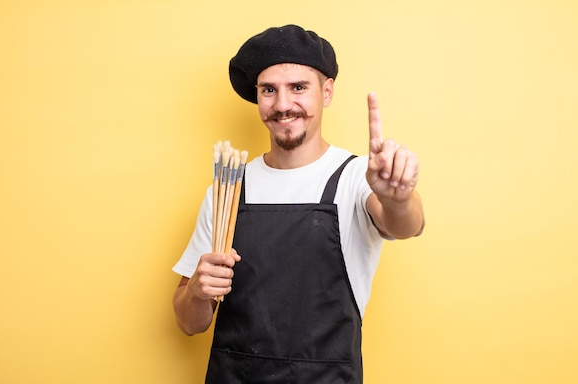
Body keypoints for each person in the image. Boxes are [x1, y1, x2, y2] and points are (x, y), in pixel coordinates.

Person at [172, 24, 425, 383]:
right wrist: (197, 292)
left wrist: (397, 198)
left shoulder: (355, 176)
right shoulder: (229, 188)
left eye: (299, 88)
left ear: (327, 92)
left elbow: (405, 225)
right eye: (269, 90)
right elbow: (188, 324)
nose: (282, 105)